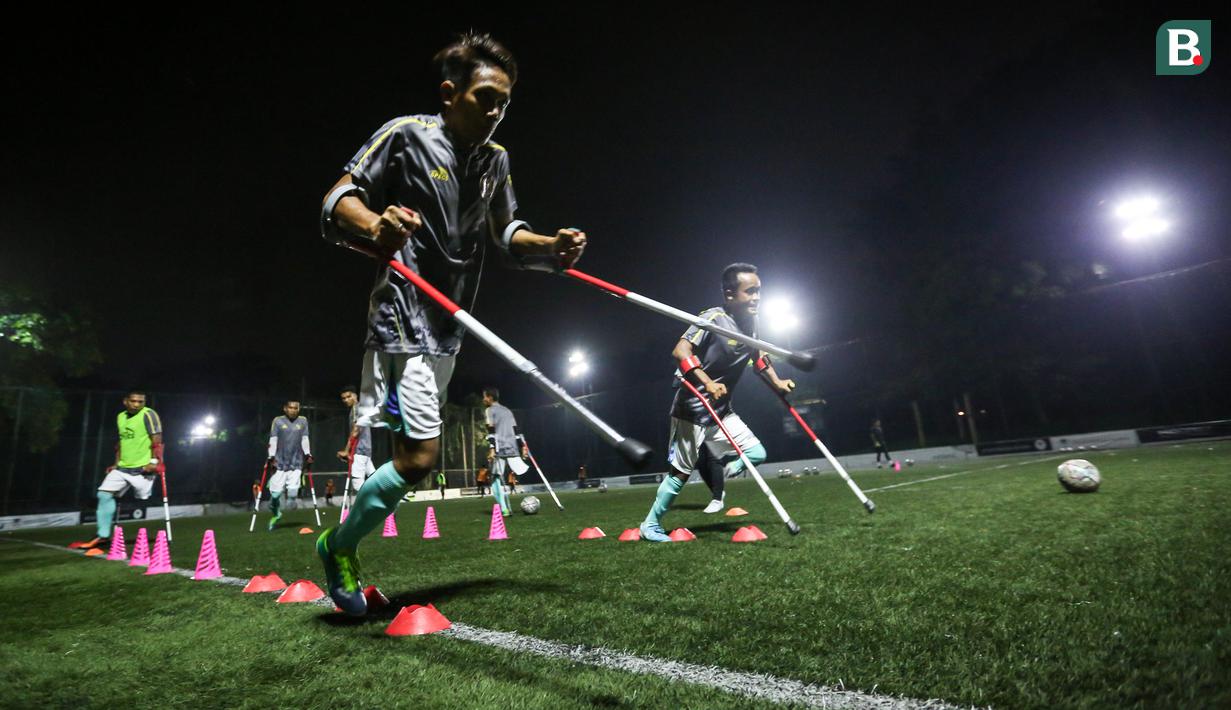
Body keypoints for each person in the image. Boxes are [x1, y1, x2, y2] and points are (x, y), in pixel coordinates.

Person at [315, 32, 588, 616]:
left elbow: (509, 237)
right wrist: (374, 225)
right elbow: (338, 197)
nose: (495, 111)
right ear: (449, 93)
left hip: (450, 327)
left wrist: (552, 247)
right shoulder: (406, 134)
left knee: (415, 461)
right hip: (403, 313)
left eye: (504, 102)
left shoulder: (496, 160)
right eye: (485, 97)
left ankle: (338, 542)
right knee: (419, 459)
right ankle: (337, 548)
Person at [640, 264, 795, 541]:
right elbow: (681, 350)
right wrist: (707, 382)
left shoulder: (752, 323)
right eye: (750, 291)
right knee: (681, 473)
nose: (757, 297)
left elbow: (758, 357)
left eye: (759, 290)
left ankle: (727, 468)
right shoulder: (713, 318)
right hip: (693, 408)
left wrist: (778, 381)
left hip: (722, 410)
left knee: (757, 452)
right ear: (729, 294)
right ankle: (650, 525)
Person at [79, 390, 164, 549]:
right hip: (123, 468)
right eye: (134, 401)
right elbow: (121, 442)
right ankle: (103, 536)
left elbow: (157, 438)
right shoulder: (121, 417)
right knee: (103, 495)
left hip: (143, 469)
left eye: (141, 401)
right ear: (125, 401)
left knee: (144, 498)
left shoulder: (148, 414)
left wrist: (154, 462)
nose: (137, 404)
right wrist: (116, 463)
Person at [266, 400, 312, 531]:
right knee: (275, 496)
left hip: (296, 463)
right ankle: (276, 514)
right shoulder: (278, 421)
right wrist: (271, 456)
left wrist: (308, 453)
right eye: (290, 408)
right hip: (280, 463)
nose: (293, 410)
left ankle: (293, 496)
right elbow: (273, 439)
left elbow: (305, 438)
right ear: (285, 408)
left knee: (292, 498)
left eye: (296, 408)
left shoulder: (303, 421)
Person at [483, 387, 529, 516]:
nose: (483, 399)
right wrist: (523, 446)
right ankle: (504, 507)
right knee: (508, 473)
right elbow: (516, 430)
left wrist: (492, 448)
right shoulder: (507, 411)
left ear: (490, 398)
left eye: (485, 396)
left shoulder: (489, 410)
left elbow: (491, 430)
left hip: (499, 448)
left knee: (495, 478)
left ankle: (504, 508)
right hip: (513, 447)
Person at [337, 385, 375, 508]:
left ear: (355, 396)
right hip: (366, 450)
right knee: (375, 480)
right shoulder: (361, 409)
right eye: (343, 398)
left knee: (358, 483)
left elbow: (356, 430)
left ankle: (365, 509)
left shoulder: (356, 409)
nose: (346, 400)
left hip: (359, 450)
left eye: (348, 396)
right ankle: (389, 502)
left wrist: (346, 451)